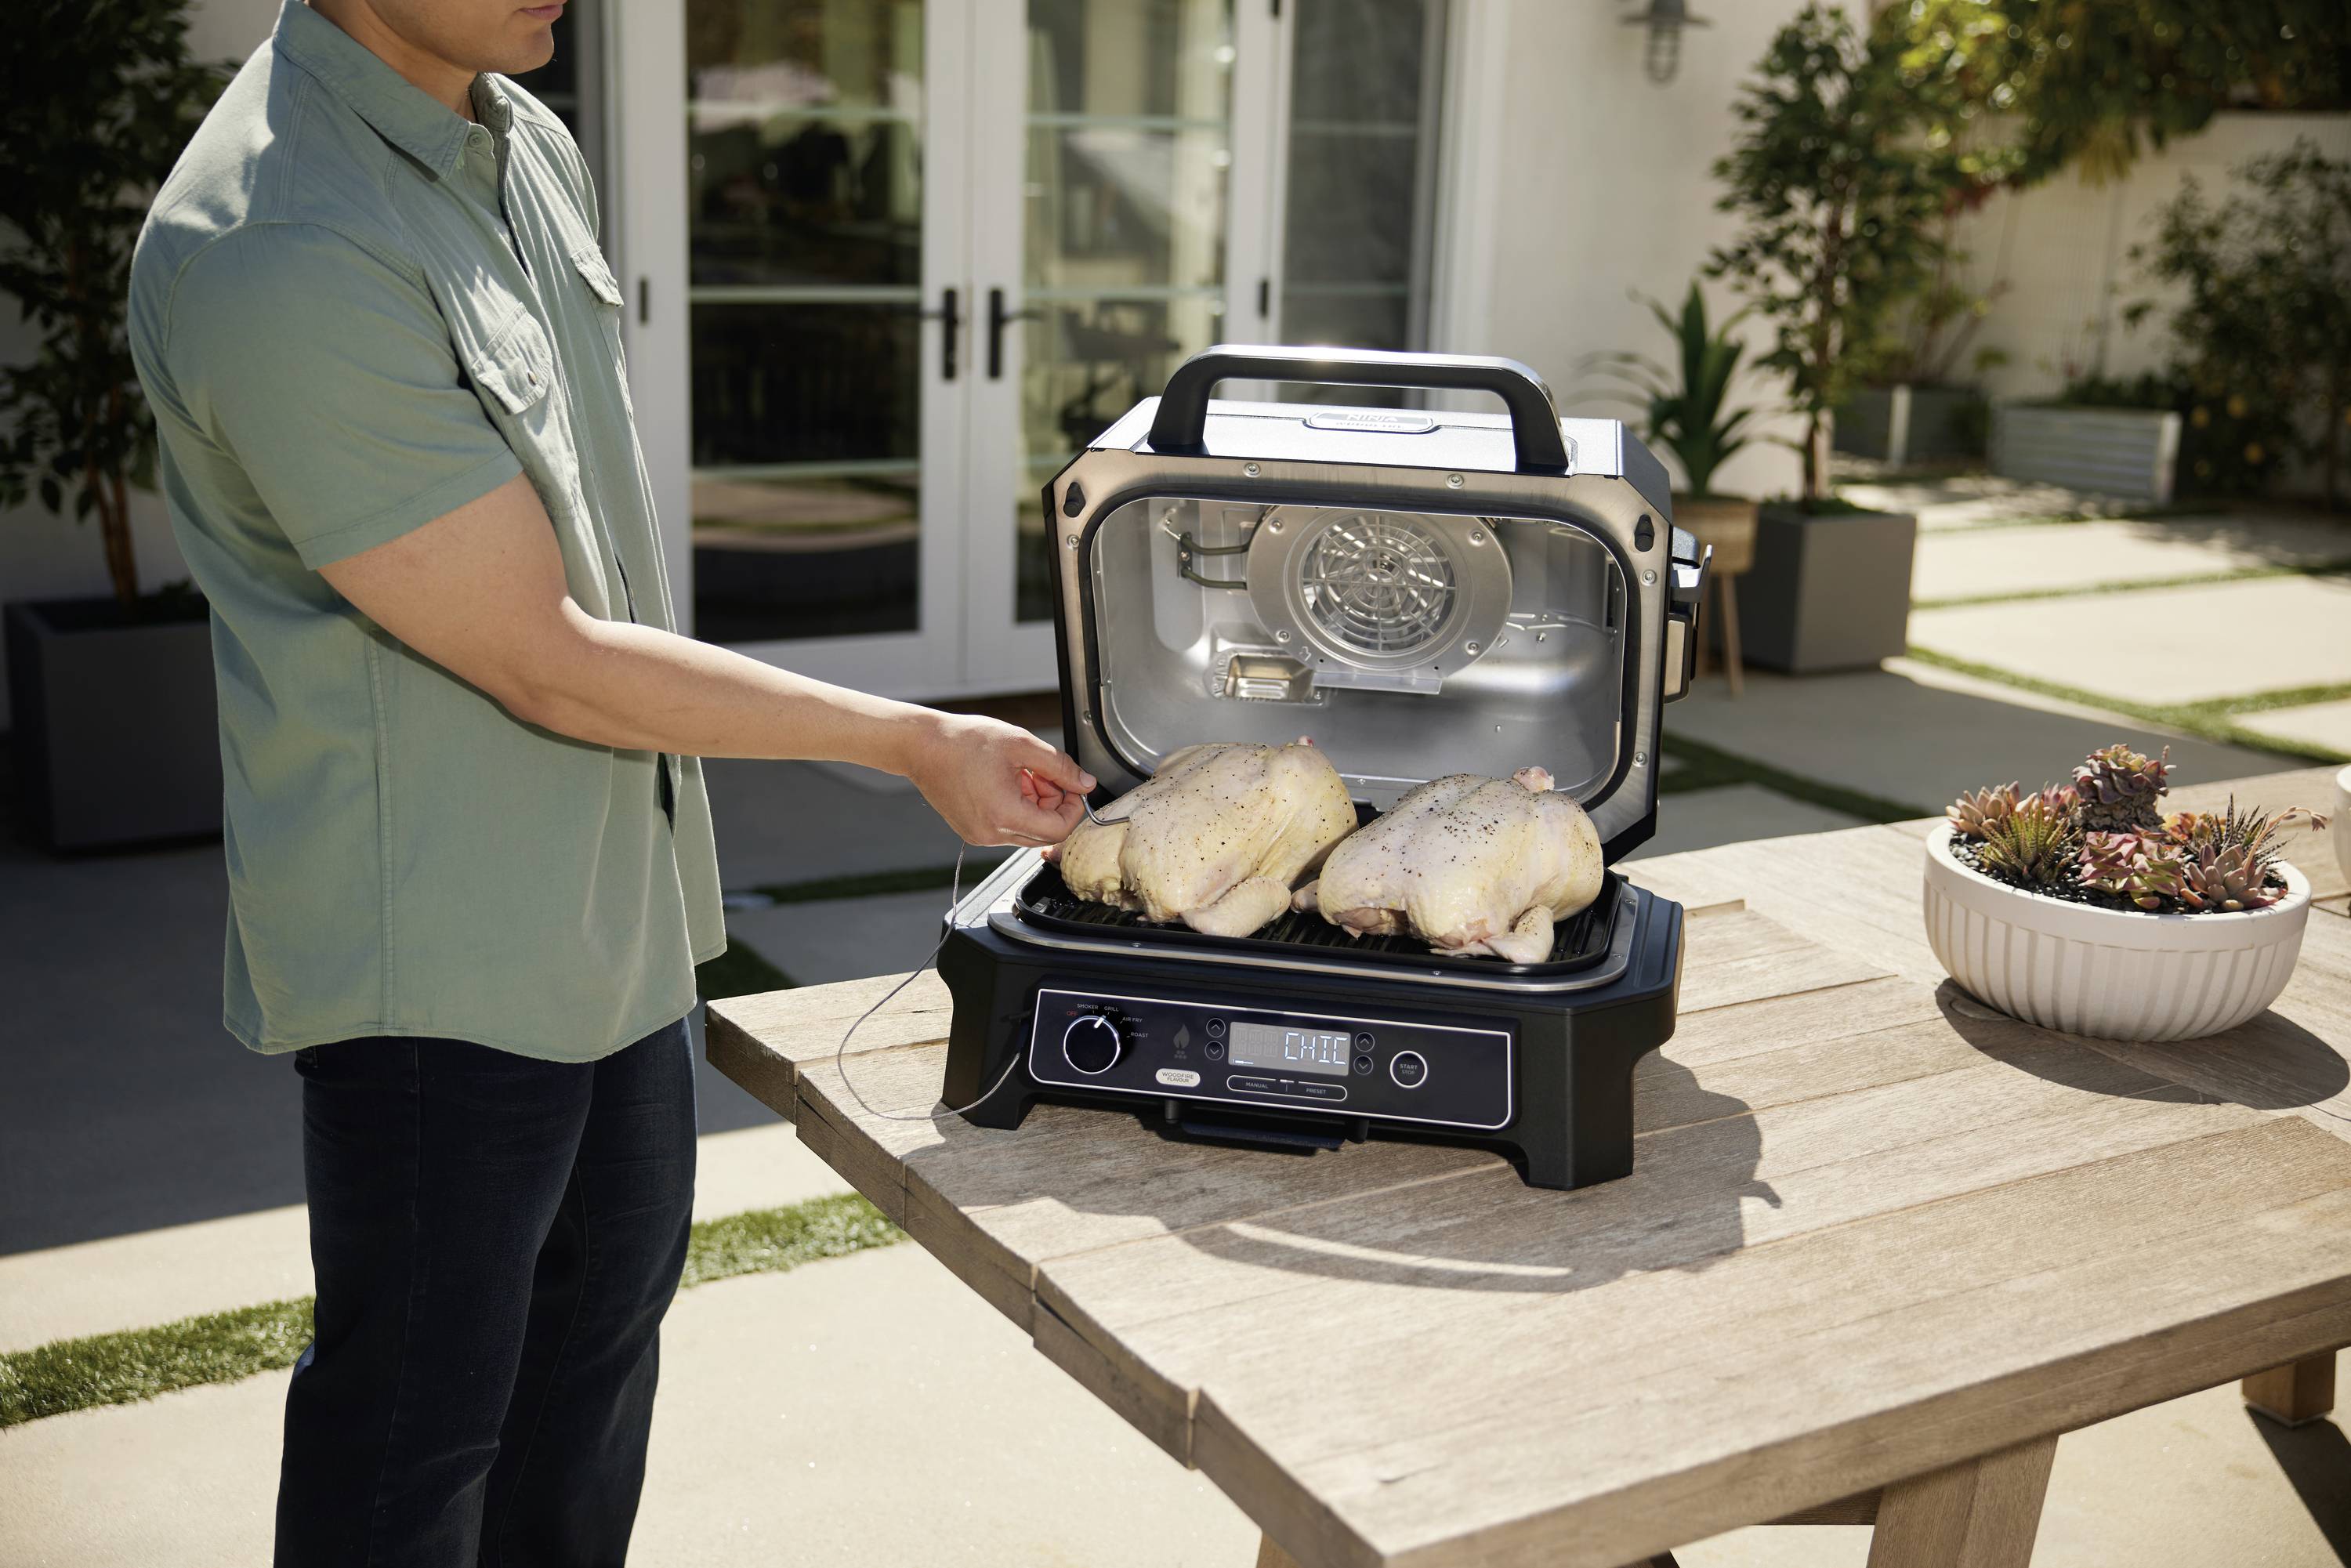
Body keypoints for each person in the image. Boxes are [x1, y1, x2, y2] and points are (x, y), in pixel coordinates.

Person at [127, 2, 1093, 1562]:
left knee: (590, 1389)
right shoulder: (279, 237)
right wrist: (913, 737)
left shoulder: (523, 141)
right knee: (416, 1436)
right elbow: (544, 654)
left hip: (617, 919)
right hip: (439, 965)